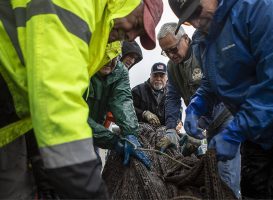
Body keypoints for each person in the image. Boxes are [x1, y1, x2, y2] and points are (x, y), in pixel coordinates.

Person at [0, 0, 163, 199]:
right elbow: (60, 97)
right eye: (137, 24)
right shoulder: (79, 8)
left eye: (138, 35)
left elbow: (122, 100)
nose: (131, 36)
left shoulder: (105, 43)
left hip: (22, 116)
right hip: (21, 105)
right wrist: (91, 189)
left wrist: (130, 134)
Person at [169, 0, 273, 198]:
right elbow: (211, 82)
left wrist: (235, 131)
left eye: (196, 11)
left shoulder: (263, 7)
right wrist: (198, 105)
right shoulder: (205, 39)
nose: (195, 22)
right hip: (257, 138)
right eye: (188, 20)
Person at [157, 22, 240, 198]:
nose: (171, 55)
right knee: (214, 173)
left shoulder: (204, 53)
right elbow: (172, 98)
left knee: (226, 176)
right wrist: (171, 128)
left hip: (228, 119)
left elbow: (219, 93)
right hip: (209, 128)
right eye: (166, 52)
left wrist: (199, 124)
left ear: (185, 39)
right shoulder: (172, 68)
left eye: (173, 49)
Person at [87, 56, 151, 170]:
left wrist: (130, 133)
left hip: (95, 133)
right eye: (105, 57)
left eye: (114, 58)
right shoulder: (79, 65)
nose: (110, 62)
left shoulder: (120, 71)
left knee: (93, 168)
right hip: (62, 133)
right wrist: (113, 141)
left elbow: (123, 100)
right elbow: (73, 117)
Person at [132, 62, 168, 126]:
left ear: (167, 77)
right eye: (155, 75)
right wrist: (144, 113)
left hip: (164, 129)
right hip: (140, 128)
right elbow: (128, 108)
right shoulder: (137, 90)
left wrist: (178, 122)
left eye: (161, 76)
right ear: (150, 75)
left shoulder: (172, 94)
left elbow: (177, 111)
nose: (158, 79)